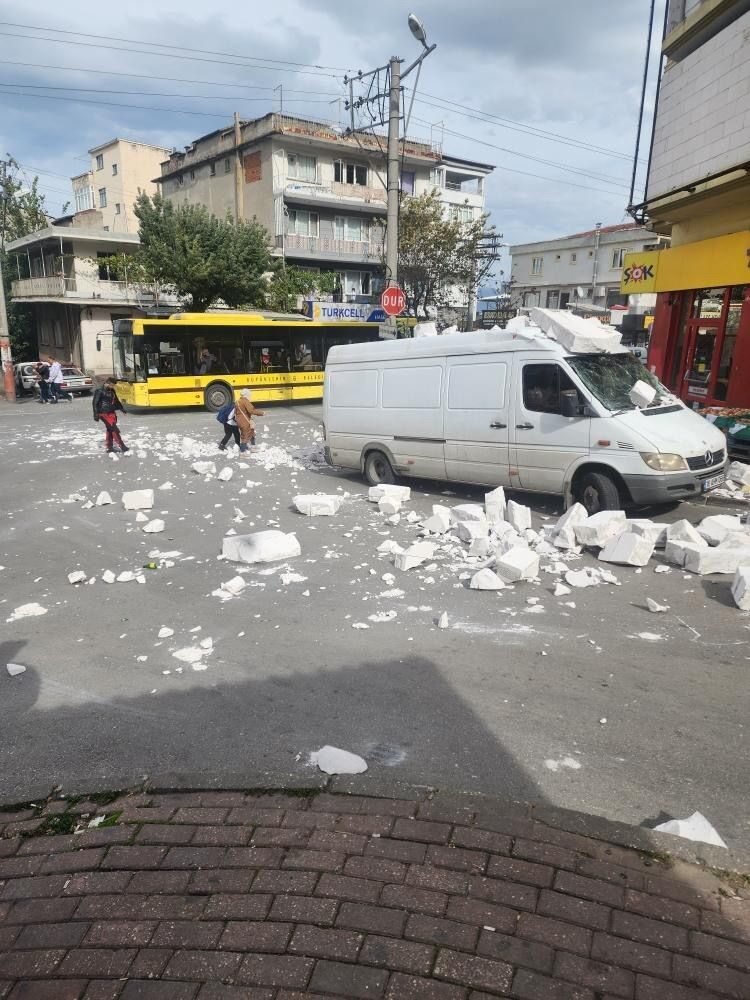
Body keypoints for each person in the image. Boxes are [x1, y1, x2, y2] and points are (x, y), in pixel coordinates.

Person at [93, 377, 128, 453]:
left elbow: (116, 401)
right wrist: (95, 414)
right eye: (112, 385)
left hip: (111, 412)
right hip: (103, 413)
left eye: (114, 385)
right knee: (114, 429)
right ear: (107, 383)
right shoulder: (99, 391)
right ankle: (122, 446)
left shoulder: (112, 391)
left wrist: (122, 409)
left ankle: (109, 447)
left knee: (110, 429)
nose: (113, 386)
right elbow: (95, 403)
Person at [235, 388, 265, 453]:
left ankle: (253, 446)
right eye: (249, 395)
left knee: (251, 432)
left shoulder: (238, 401)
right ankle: (243, 452)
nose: (250, 396)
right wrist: (261, 413)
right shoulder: (245, 401)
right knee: (245, 436)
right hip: (244, 421)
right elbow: (251, 410)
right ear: (247, 395)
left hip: (240, 420)